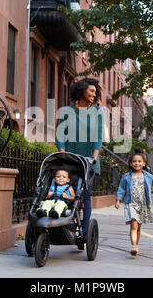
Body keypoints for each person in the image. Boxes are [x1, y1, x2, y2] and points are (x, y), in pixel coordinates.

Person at [56, 78, 104, 249]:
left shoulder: (98, 112)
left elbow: (98, 137)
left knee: (85, 196)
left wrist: (94, 156)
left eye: (95, 92)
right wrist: (61, 153)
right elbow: (61, 134)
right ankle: (64, 224)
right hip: (69, 159)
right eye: (91, 91)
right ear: (82, 91)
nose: (94, 94)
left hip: (88, 160)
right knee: (64, 191)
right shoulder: (67, 111)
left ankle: (83, 232)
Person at [115, 151, 153, 256]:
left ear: (144, 164)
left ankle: (136, 246)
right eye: (134, 161)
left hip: (143, 205)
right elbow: (121, 189)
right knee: (134, 225)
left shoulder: (147, 176)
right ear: (130, 164)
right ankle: (133, 246)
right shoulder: (126, 177)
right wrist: (118, 200)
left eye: (139, 161)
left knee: (139, 227)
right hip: (131, 204)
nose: (137, 163)